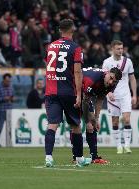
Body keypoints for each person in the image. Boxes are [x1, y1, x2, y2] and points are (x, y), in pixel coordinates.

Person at [44, 19, 91, 167]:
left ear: (60, 30)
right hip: (68, 91)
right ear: (72, 30)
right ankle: (79, 159)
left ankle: (48, 157)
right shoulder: (75, 47)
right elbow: (77, 72)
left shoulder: (51, 46)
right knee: (75, 125)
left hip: (51, 90)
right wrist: (78, 94)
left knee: (52, 125)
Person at [71, 67, 122, 164]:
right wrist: (87, 122)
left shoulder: (113, 83)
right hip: (73, 91)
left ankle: (94, 157)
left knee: (92, 125)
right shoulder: (92, 79)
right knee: (76, 124)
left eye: (114, 81)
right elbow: (84, 102)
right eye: (110, 78)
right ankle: (76, 157)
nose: (111, 82)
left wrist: (96, 118)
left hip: (85, 96)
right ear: (107, 73)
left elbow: (100, 98)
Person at [102, 40, 137, 154]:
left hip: (125, 95)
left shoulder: (128, 61)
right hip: (113, 96)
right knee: (115, 122)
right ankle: (118, 146)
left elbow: (132, 78)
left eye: (121, 48)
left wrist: (134, 95)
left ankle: (127, 146)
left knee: (126, 119)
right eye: (118, 49)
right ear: (112, 48)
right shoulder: (107, 62)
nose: (120, 51)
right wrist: (108, 93)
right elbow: (103, 80)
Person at [0, 73, 14, 147]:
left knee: (11, 128)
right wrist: (3, 99)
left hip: (9, 110)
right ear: (3, 80)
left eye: (9, 81)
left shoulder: (11, 87)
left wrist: (12, 99)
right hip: (1, 110)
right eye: (7, 81)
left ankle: (11, 143)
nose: (8, 82)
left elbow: (12, 96)